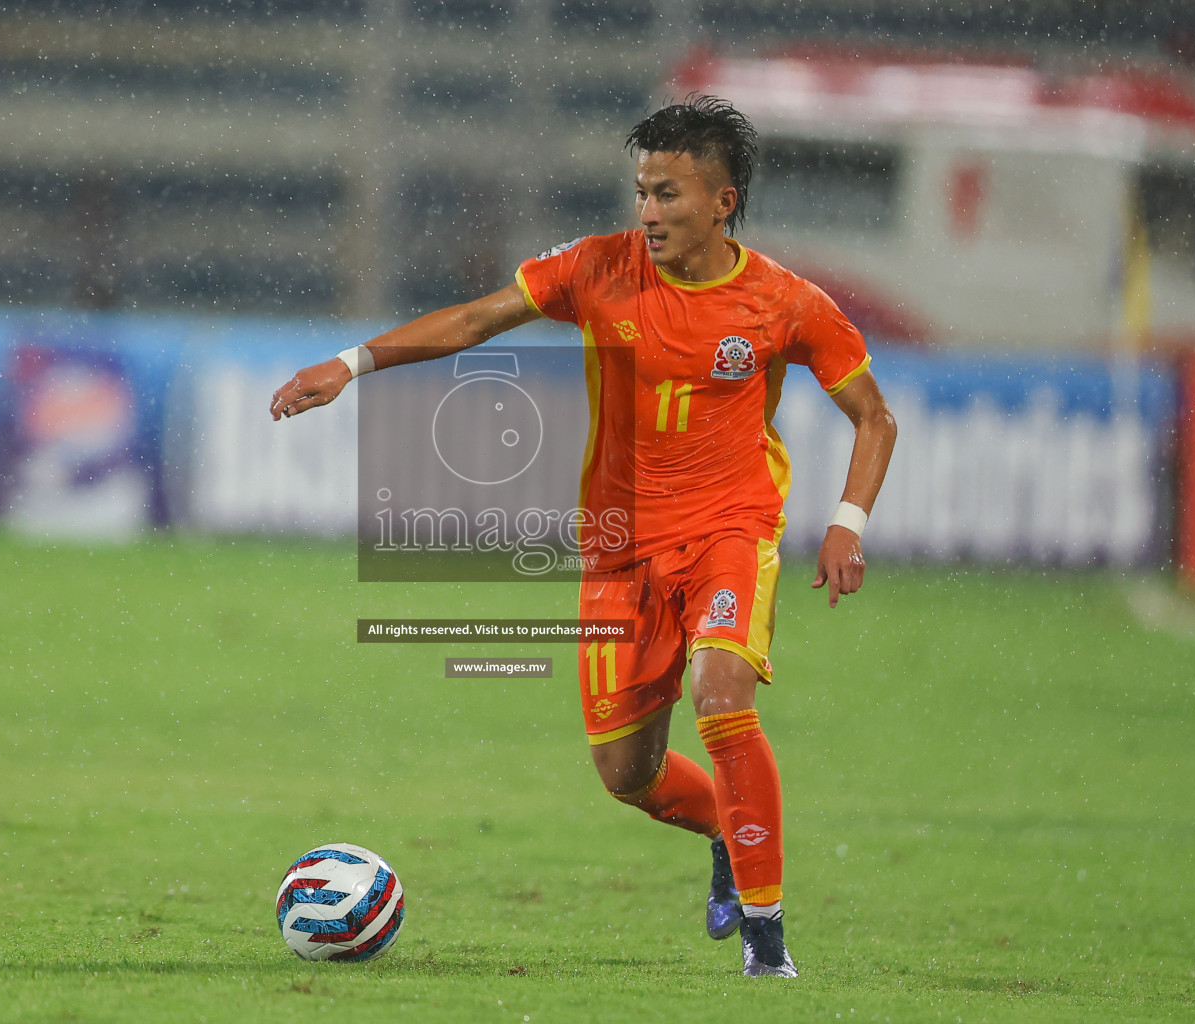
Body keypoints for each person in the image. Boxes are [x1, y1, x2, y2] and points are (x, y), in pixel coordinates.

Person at [270, 96, 896, 978]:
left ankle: (767, 942)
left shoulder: (786, 304)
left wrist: (847, 525)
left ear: (723, 202)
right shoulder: (598, 270)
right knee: (626, 775)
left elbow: (873, 417)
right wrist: (350, 363)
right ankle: (723, 824)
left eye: (669, 193)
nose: (648, 212)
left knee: (723, 693)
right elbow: (476, 321)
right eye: (642, 191)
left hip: (731, 530)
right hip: (619, 551)